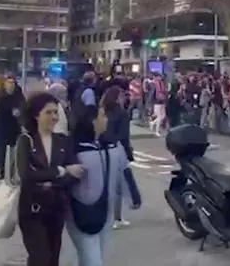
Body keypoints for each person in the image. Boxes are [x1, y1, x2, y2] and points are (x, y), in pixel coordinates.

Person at [16, 92, 85, 266]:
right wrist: (60, 171)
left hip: (56, 208)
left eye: (56, 112)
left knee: (52, 259)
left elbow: (75, 174)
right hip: (32, 209)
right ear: (36, 115)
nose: (54, 117)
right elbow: (26, 174)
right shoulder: (26, 141)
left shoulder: (63, 141)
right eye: (48, 112)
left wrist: (50, 179)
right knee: (41, 258)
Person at [67, 105, 131, 266]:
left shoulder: (113, 145)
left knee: (94, 257)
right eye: (103, 115)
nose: (107, 119)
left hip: (105, 211)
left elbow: (125, 171)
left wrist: (133, 197)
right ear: (92, 121)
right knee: (93, 260)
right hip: (79, 213)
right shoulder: (72, 149)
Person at [100, 86, 142, 228]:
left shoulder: (103, 111)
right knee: (118, 185)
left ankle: (107, 215)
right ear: (118, 97)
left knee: (106, 184)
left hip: (103, 148)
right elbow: (124, 135)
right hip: (118, 150)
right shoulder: (122, 114)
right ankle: (117, 217)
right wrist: (127, 152)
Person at [0, 76, 25, 179]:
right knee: (3, 149)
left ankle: (14, 170)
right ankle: (3, 170)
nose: (11, 85)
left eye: (12, 83)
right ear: (5, 84)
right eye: (9, 83)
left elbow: (24, 106)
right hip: (3, 126)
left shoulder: (18, 95)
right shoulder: (1, 96)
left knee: (16, 149)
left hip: (15, 126)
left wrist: (19, 112)